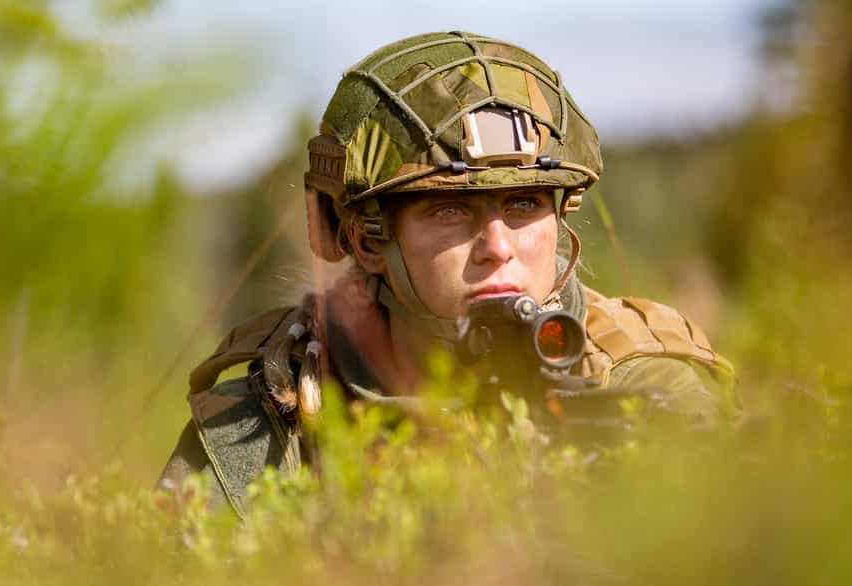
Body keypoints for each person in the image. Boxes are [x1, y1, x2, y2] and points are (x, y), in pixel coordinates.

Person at [157, 31, 736, 518]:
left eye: (526, 205)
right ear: (367, 239)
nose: (496, 247)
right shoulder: (271, 418)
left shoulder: (644, 384)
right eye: (451, 211)